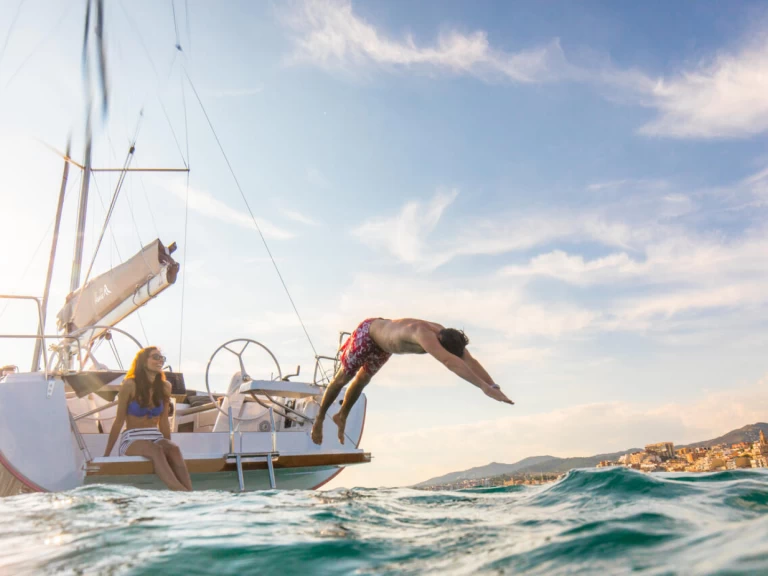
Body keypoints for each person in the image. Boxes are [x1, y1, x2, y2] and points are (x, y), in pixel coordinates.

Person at [311, 318, 513, 445]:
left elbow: (469, 360)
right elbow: (449, 361)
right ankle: (320, 418)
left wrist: (493, 386)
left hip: (384, 346)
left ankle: (341, 416)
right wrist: (483, 388)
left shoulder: (446, 333)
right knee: (342, 380)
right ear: (440, 342)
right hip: (368, 334)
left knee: (363, 380)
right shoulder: (424, 334)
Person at [103, 346, 192, 491]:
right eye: (155, 357)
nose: (160, 361)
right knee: (155, 450)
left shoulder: (165, 386)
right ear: (143, 361)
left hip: (155, 435)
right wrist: (106, 455)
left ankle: (190, 492)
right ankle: (179, 490)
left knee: (174, 449)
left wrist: (168, 445)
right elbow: (119, 421)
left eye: (161, 358)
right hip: (132, 438)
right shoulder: (129, 385)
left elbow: (163, 421)